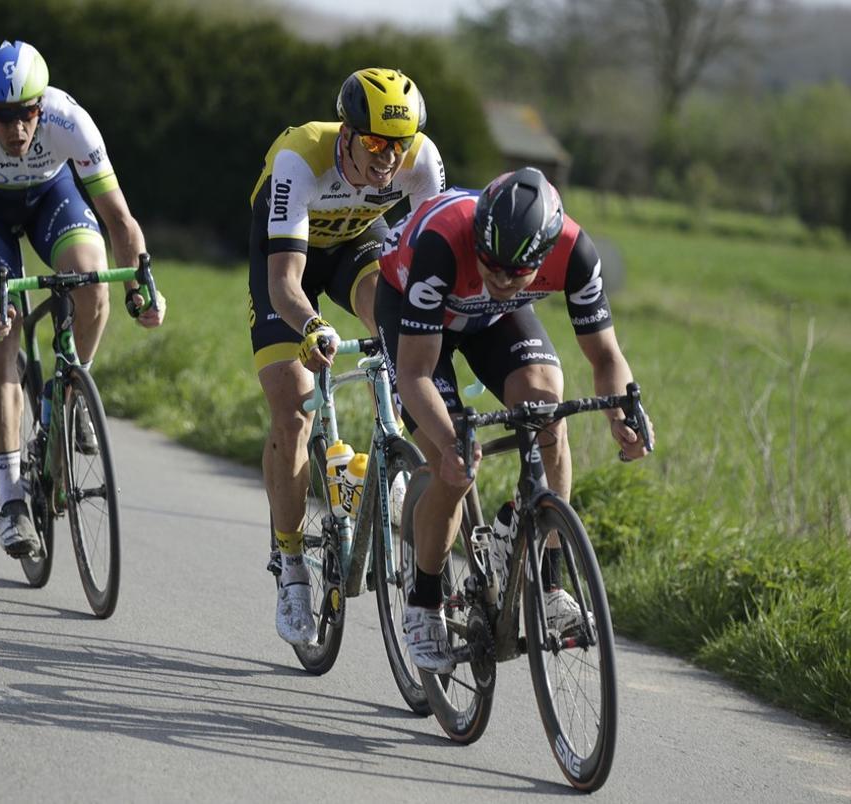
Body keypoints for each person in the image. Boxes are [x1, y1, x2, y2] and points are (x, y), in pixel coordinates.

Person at [373, 167, 655, 672]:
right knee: (450, 463)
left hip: (491, 320)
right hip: (414, 311)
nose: (502, 279)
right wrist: (450, 440)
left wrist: (620, 414)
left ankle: (545, 579)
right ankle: (424, 601)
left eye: (517, 272)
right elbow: (415, 374)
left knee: (548, 409)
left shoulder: (575, 251)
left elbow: (606, 357)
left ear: (545, 255)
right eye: (492, 265)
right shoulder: (443, 242)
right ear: (478, 238)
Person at [248, 67, 445, 645]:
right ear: (347, 132)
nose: (389, 158)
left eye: (399, 144)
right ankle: (290, 568)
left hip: (358, 243)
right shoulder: (300, 159)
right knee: (292, 403)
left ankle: (392, 445)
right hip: (290, 253)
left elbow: (427, 262)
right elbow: (285, 282)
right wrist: (310, 325)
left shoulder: (421, 160)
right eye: (376, 142)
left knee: (396, 320)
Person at [0, 40, 163, 559]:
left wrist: (142, 286)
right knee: (2, 333)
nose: (17, 129)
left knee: (91, 280)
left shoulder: (70, 120)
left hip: (51, 196)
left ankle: (73, 389)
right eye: (3, 116)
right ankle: (12, 495)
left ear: (41, 106)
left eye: (27, 115)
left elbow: (121, 223)